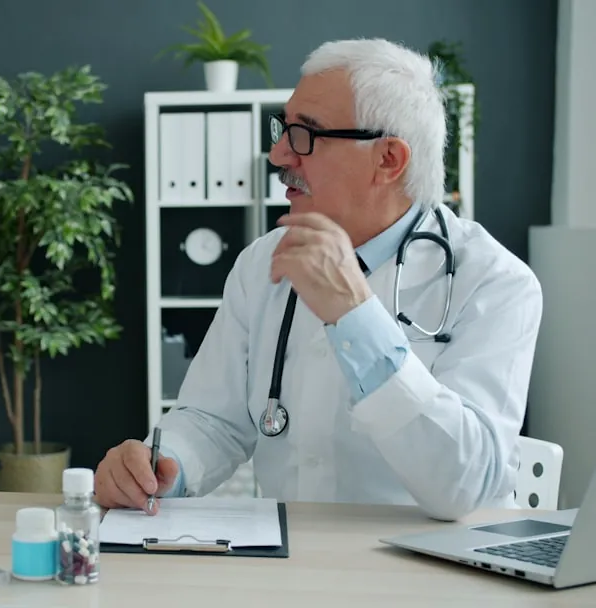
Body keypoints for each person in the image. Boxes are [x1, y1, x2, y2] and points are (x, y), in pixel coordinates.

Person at [96, 38, 543, 522]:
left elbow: (467, 487)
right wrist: (164, 465)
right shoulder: (260, 263)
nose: (278, 154)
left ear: (389, 159)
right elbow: (213, 419)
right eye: (283, 128)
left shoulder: (496, 283)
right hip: (291, 562)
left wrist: (354, 314)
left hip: (433, 573)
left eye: (305, 135)